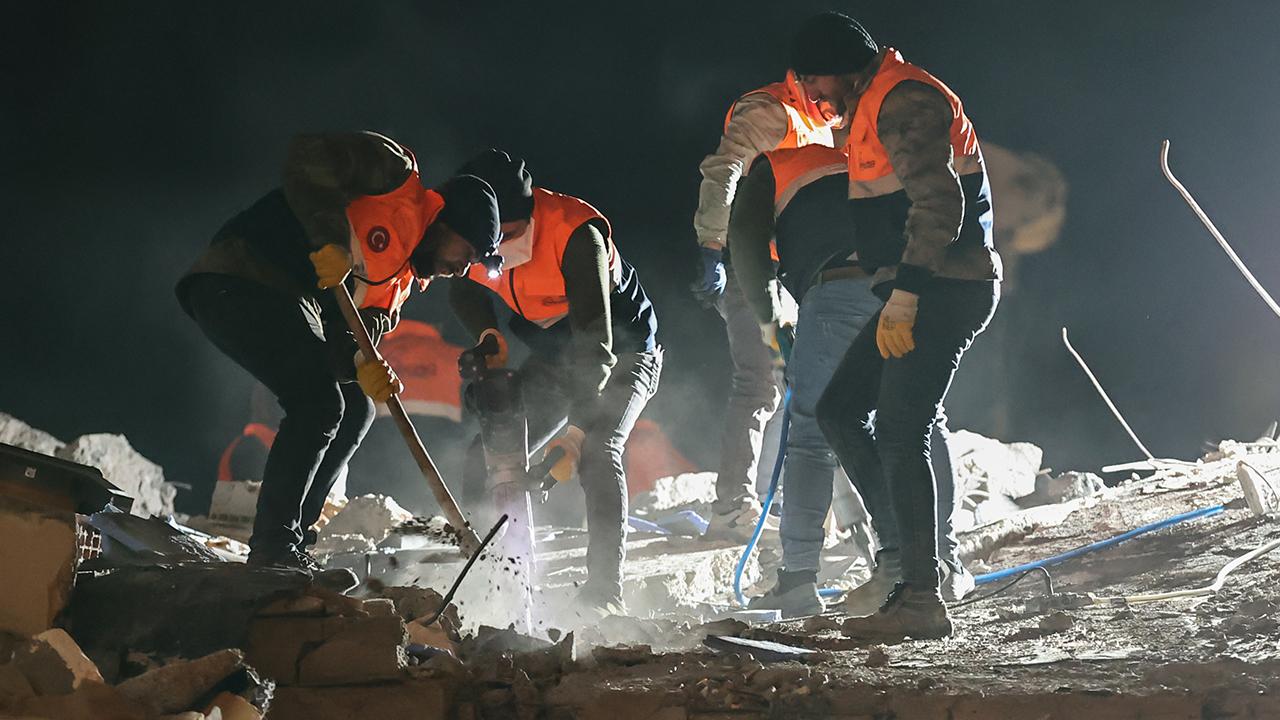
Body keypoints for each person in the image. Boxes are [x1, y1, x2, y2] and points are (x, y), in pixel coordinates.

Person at [177, 131, 502, 570]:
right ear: (447, 220)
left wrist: (361, 363)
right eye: (469, 252)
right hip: (239, 276)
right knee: (318, 403)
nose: (463, 269)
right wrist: (329, 238)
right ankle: (273, 549)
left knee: (357, 408)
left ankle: (295, 538)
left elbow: (341, 346)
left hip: (293, 305)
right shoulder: (393, 175)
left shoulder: (395, 291)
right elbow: (309, 157)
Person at [790, 12, 1002, 640]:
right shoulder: (871, 108)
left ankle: (921, 595)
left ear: (840, 66)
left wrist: (906, 292)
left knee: (902, 432)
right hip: (918, 288)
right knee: (839, 411)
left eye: (814, 81)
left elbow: (939, 202)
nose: (813, 95)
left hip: (944, 288)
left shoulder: (903, 99)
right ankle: (906, 565)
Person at [728, 143, 974, 619]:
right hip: (906, 287)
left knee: (810, 436)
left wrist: (768, 319)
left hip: (837, 288)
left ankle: (798, 579)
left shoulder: (770, 167)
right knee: (923, 420)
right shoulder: (857, 158)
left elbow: (744, 241)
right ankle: (942, 560)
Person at [447, 150, 662, 618]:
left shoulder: (576, 236)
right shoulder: (477, 237)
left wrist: (575, 435)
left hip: (621, 353)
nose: (501, 248)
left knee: (599, 450)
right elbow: (462, 287)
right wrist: (488, 335)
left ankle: (604, 593)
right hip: (555, 357)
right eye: (491, 241)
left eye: (510, 235)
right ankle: (491, 581)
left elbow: (595, 348)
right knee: (486, 454)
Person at [692, 60, 842, 540]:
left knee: (801, 380)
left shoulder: (823, 122)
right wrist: (711, 245)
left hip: (790, 266)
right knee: (758, 383)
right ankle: (731, 509)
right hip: (748, 261)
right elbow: (725, 170)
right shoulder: (770, 111)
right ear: (812, 78)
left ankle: (789, 501)